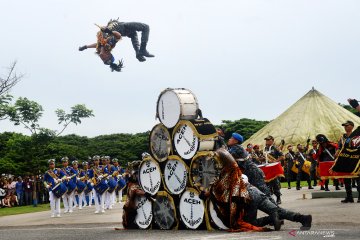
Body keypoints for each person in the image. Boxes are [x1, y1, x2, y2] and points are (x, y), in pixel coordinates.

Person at [200, 149, 267, 232]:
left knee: (238, 223)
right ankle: (274, 218)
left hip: (237, 199)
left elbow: (221, 187)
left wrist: (208, 192)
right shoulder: (231, 167)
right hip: (244, 195)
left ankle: (272, 219)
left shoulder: (230, 171)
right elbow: (221, 182)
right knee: (248, 220)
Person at [242, 174, 313, 230]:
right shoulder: (240, 172)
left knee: (248, 223)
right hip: (257, 192)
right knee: (277, 211)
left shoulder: (235, 172)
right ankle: (303, 218)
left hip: (248, 195)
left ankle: (272, 218)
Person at [79, 19, 154, 71]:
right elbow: (118, 36)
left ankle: (138, 53)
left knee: (133, 34)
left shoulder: (99, 48)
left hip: (124, 29)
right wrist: (109, 31)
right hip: (122, 27)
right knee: (146, 27)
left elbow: (96, 44)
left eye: (103, 60)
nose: (102, 59)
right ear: (108, 54)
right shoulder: (109, 45)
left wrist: (85, 47)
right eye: (105, 59)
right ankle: (143, 50)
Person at [335, 120, 360, 203]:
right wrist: (337, 151)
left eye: (347, 125)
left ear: (352, 126)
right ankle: (349, 197)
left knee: (357, 178)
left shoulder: (357, 135)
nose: (345, 127)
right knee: (346, 178)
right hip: (345, 160)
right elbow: (339, 146)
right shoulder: (343, 137)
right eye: (344, 126)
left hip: (355, 159)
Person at [122, 160, 148, 229]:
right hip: (129, 207)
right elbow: (136, 191)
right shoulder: (132, 184)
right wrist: (146, 193)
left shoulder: (133, 180)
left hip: (130, 205)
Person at [263, 135, 284, 204]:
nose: (267, 141)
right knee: (267, 184)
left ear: (272, 140)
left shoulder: (275, 147)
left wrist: (276, 161)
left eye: (268, 140)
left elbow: (282, 156)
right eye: (266, 140)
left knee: (275, 183)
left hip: (274, 168)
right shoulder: (265, 148)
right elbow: (264, 157)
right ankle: (269, 199)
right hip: (267, 167)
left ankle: (278, 198)